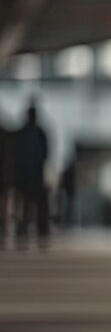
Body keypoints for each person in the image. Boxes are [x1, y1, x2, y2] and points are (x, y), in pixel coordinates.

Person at [12, 104, 50, 242]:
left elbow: (45, 154)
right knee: (26, 204)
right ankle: (26, 228)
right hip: (28, 175)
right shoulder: (37, 133)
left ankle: (31, 227)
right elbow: (45, 154)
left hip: (30, 174)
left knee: (28, 204)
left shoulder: (30, 133)